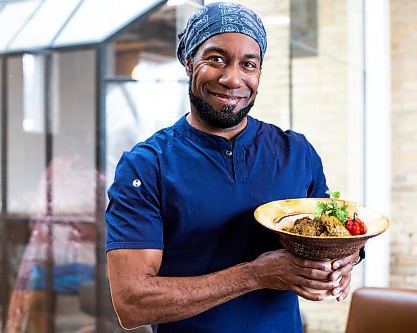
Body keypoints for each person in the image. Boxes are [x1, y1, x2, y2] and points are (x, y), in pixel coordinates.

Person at [105, 2, 359, 332]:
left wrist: (341, 264)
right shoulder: (146, 166)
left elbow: (331, 239)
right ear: (188, 63)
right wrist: (254, 275)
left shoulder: (297, 152)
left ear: (259, 73)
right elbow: (132, 302)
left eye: (248, 64)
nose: (232, 78)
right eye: (215, 59)